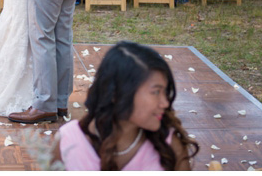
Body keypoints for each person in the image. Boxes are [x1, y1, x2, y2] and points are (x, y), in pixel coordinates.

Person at [52, 41, 199, 170]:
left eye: (165, 92)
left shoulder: (169, 148)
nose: (165, 103)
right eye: (156, 92)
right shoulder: (67, 142)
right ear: (117, 93)